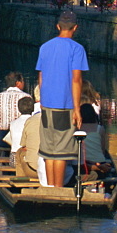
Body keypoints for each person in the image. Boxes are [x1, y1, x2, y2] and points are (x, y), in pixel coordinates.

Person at [36, 10, 89, 188]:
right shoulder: (77, 49)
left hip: (46, 105)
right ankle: (58, 190)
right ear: (75, 28)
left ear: (58, 26)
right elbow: (76, 80)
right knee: (61, 151)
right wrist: (77, 108)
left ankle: (50, 188)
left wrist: (42, 100)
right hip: (64, 105)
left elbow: (41, 77)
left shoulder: (44, 47)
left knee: (49, 150)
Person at [0, 71, 31, 151]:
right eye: (23, 81)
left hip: (1, 138)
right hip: (19, 138)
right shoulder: (26, 97)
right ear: (18, 83)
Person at [6, 96, 35, 165]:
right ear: (33, 108)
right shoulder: (35, 122)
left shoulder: (12, 123)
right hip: (29, 158)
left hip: (14, 159)